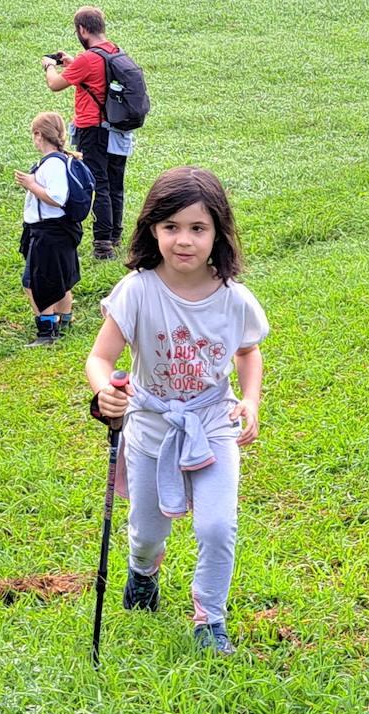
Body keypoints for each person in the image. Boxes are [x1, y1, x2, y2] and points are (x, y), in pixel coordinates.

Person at [86, 168, 269, 654]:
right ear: (152, 229)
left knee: (217, 526)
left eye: (197, 228)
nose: (183, 240)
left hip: (213, 422)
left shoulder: (234, 299)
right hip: (151, 426)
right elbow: (100, 358)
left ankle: (210, 619)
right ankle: (143, 570)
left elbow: (248, 352)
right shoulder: (137, 290)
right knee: (148, 532)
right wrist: (105, 391)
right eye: (171, 227)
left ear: (218, 233)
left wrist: (250, 399)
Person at [43, 6, 129, 261]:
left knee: (99, 184)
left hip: (93, 130)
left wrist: (49, 66)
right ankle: (114, 236)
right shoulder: (115, 51)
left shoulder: (87, 59)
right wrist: (73, 64)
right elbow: (96, 77)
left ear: (82, 30)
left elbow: (55, 84)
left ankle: (103, 246)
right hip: (118, 128)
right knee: (115, 184)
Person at [14, 111, 82, 346]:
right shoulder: (62, 159)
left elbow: (57, 198)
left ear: (38, 135)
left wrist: (31, 184)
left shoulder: (52, 164)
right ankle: (64, 320)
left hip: (48, 232)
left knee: (34, 282)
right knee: (61, 278)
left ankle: (47, 331)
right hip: (61, 229)